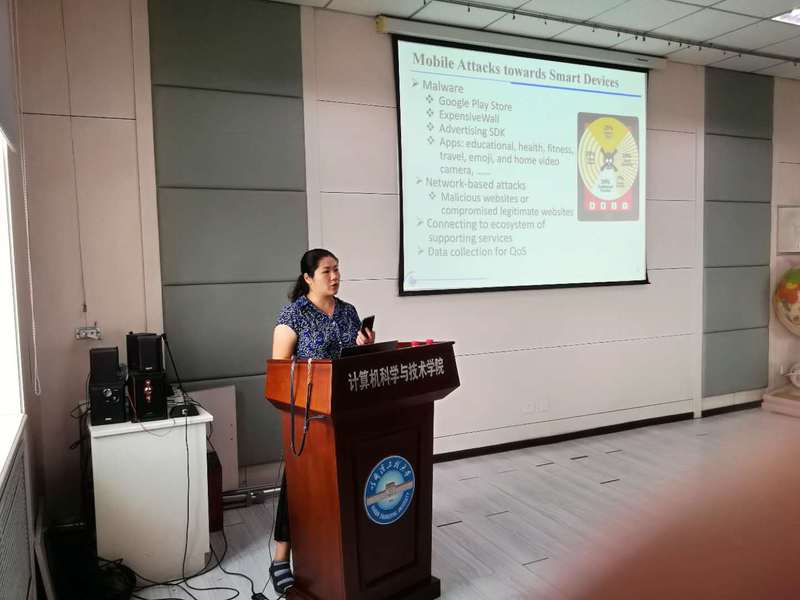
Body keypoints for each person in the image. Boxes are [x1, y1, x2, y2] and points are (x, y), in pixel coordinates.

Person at [269, 248, 375, 595]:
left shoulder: (348, 311)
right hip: (310, 417)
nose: (335, 276)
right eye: (327, 271)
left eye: (337, 269)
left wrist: (365, 345)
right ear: (308, 278)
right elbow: (279, 373)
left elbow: (355, 360)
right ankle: (281, 558)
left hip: (347, 411)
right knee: (298, 485)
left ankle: (339, 551)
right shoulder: (293, 315)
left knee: (346, 480)